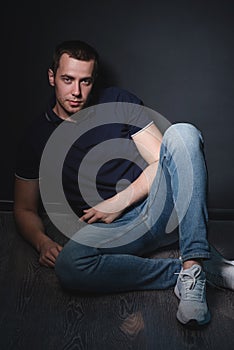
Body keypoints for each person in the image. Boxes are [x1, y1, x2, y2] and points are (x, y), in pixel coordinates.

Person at [14, 40, 234, 328]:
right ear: (52, 76)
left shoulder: (117, 100)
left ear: (94, 80)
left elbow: (161, 162)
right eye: (68, 80)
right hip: (111, 232)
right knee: (70, 266)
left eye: (85, 81)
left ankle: (194, 266)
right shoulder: (35, 136)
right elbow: (24, 208)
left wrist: (120, 201)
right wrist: (42, 242)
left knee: (182, 133)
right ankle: (191, 272)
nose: (76, 92)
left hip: (157, 211)